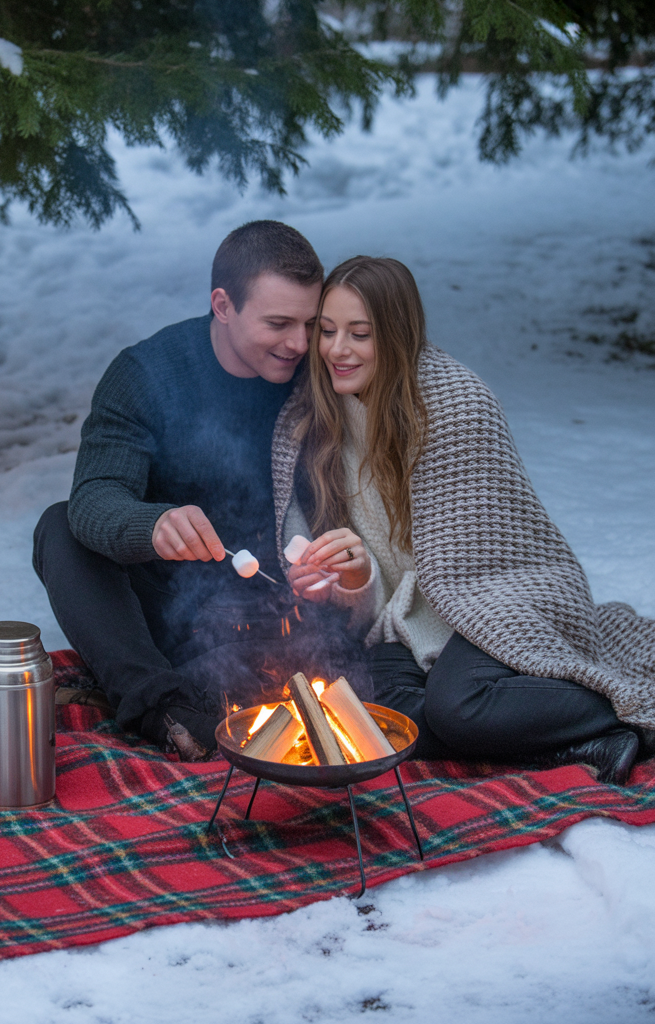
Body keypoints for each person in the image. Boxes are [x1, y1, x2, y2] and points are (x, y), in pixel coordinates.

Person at [272, 255, 655, 784]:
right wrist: (356, 578)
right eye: (328, 331)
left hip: (503, 593)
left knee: (457, 707)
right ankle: (580, 743)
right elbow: (370, 580)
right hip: (409, 617)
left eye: (360, 334)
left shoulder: (455, 406)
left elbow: (482, 564)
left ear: (399, 335)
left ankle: (621, 713)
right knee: (365, 710)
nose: (337, 349)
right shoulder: (311, 418)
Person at [34, 221, 366, 759]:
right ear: (223, 305)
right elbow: (95, 497)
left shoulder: (321, 373)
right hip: (169, 616)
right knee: (60, 526)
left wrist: (333, 565)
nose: (300, 343)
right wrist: (153, 525)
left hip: (282, 614)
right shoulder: (147, 374)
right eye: (278, 323)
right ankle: (166, 709)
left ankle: (234, 696)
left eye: (311, 323)